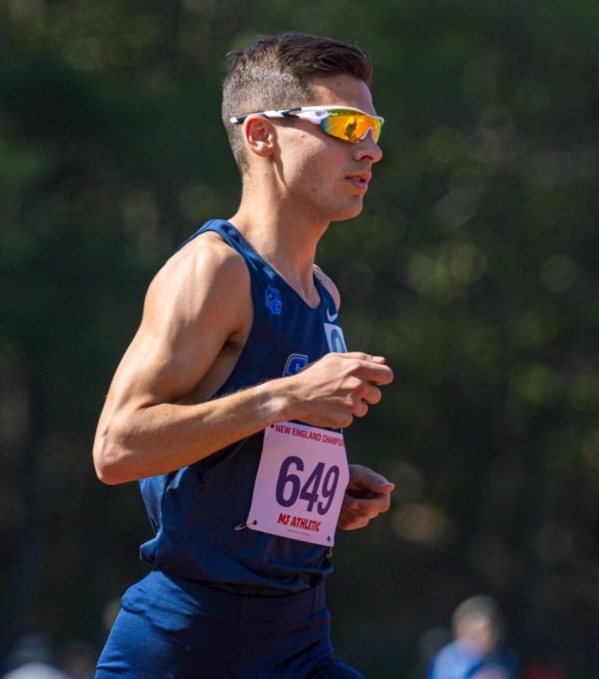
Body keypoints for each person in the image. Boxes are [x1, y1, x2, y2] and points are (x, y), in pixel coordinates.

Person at [93, 31, 395, 677]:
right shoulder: (214, 270)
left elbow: (238, 441)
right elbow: (117, 447)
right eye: (343, 124)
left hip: (298, 631)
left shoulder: (324, 292)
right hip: (192, 638)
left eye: (371, 126)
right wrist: (285, 397)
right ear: (261, 135)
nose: (369, 147)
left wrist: (329, 484)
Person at [427, 595, 518, 679]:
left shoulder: (506, 658)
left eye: (488, 631)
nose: (483, 638)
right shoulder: (448, 660)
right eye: (475, 632)